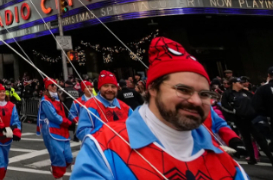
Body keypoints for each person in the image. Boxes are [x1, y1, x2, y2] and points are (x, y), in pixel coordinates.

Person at [72, 36, 249, 180]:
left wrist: (234, 141)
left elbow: (218, 124)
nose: (196, 101)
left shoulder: (230, 167)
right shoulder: (101, 150)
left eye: (204, 94)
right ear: (153, 89)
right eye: (183, 90)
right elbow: (82, 128)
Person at [74, 71, 133, 142]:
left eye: (113, 86)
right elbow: (81, 132)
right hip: (100, 151)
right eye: (106, 86)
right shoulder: (89, 107)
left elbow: (134, 128)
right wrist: (105, 134)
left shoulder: (125, 107)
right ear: (99, 88)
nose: (110, 89)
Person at [37, 79, 75, 178]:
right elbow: (53, 116)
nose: (54, 87)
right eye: (51, 85)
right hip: (52, 131)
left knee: (69, 157)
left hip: (62, 131)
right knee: (58, 157)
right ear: (47, 87)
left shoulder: (58, 99)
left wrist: (73, 119)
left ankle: (55, 169)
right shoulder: (45, 101)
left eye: (55, 85)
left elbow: (64, 113)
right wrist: (67, 123)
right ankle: (58, 175)